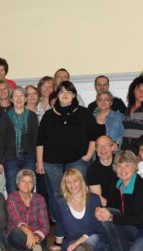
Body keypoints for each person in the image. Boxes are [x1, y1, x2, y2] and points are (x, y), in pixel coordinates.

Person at [36, 81, 97, 221]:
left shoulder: (84, 113)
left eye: (68, 92)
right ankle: (60, 223)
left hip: (78, 160)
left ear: (74, 95)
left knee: (78, 192)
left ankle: (79, 220)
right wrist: (39, 162)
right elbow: (40, 141)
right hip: (51, 162)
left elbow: (93, 137)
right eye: (62, 92)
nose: (65, 95)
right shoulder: (49, 115)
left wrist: (88, 156)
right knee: (56, 194)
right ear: (57, 95)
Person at [54, 169, 108, 251]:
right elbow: (59, 223)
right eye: (68, 182)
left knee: (93, 238)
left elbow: (95, 226)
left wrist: (77, 243)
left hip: (96, 241)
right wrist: (58, 245)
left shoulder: (93, 198)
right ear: (65, 185)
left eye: (75, 181)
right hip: (72, 239)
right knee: (72, 247)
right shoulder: (60, 201)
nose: (72, 185)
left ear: (81, 181)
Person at [6, 169, 60, 251]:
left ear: (33, 185)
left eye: (30, 182)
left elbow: (45, 226)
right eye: (23, 181)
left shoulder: (40, 199)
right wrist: (29, 234)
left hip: (37, 237)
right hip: (17, 239)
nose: (26, 184)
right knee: (17, 231)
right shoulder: (12, 197)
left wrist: (36, 236)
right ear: (17, 184)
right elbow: (17, 220)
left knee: (39, 241)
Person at [0, 86, 38, 194]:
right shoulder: (5, 117)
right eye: (15, 96)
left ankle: (28, 210)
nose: (18, 99)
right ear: (11, 99)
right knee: (12, 188)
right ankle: (14, 210)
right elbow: (1, 140)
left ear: (25, 99)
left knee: (28, 187)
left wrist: (38, 160)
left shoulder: (32, 116)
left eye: (21, 95)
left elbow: (36, 140)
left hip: (29, 157)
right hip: (10, 158)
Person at [87, 136, 121, 208]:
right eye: (99, 146)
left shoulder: (121, 162)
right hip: (107, 207)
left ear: (112, 147)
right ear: (95, 149)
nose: (103, 149)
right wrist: (115, 208)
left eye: (106, 145)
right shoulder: (92, 170)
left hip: (125, 204)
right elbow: (97, 197)